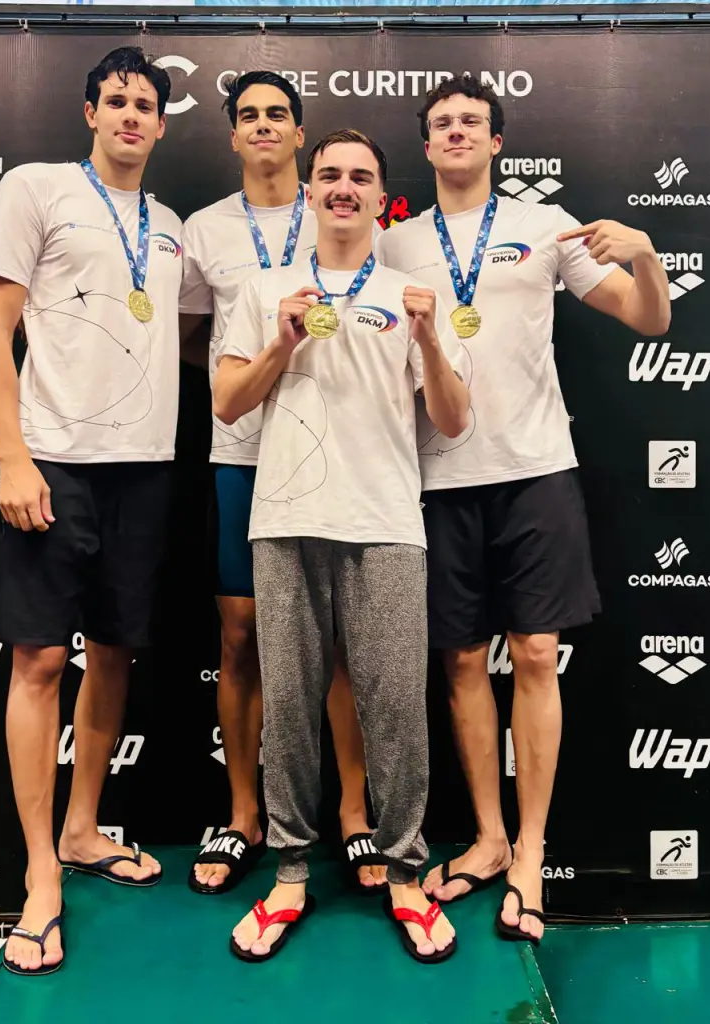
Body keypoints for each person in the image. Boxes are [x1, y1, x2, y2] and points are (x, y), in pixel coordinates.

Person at [375, 75, 671, 945]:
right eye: (442, 124)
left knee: (534, 653)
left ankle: (532, 852)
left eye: (472, 121)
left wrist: (646, 254)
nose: (457, 132)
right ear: (425, 147)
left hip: (536, 468)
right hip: (435, 476)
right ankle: (488, 840)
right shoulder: (393, 246)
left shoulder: (545, 227)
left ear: (497, 142)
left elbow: (645, 321)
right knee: (462, 662)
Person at [213, 129, 470, 962]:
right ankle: (289, 874)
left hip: (387, 520)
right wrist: (281, 344)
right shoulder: (261, 288)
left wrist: (429, 339)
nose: (344, 188)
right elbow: (224, 404)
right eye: (329, 175)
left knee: (395, 707)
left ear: (381, 195)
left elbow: (455, 420)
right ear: (311, 189)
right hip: (285, 519)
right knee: (287, 704)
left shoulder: (413, 291)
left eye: (361, 177)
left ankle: (403, 873)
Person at [0, 47, 182, 976]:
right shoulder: (37, 188)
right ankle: (39, 875)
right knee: (40, 659)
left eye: (145, 105)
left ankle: (85, 829)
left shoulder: (170, 226)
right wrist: (12, 458)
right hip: (53, 463)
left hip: (145, 470)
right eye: (117, 101)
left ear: (162, 125)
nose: (131, 115)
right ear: (88, 110)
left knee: (111, 655)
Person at [180, 73, 385, 895]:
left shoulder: (341, 205)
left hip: (340, 455)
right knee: (239, 636)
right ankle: (243, 815)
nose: (262, 125)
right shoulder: (203, 229)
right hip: (241, 452)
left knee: (337, 638)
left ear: (301, 137)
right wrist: (259, 374)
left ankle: (354, 816)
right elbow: (193, 339)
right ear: (230, 135)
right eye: (247, 116)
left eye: (277, 115)